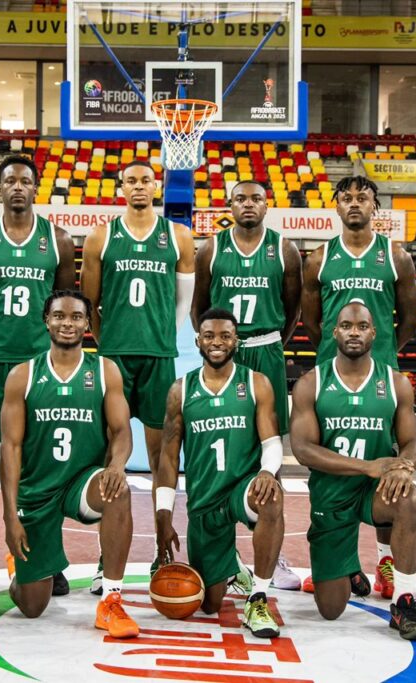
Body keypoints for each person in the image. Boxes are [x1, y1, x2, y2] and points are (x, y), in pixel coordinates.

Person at [0, 155, 76, 596]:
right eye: (10, 181)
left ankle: (45, 553)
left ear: (35, 187)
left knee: (42, 461)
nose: (18, 187)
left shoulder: (58, 239)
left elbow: (63, 299)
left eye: (26, 180)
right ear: (0, 189)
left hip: (42, 364)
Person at [301, 175, 416, 599]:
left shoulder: (396, 256)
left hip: (381, 373)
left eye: (363, 197)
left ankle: (386, 560)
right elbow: (312, 322)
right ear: (335, 207)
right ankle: (336, 559)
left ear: (375, 207)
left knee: (386, 467)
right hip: (333, 372)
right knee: (326, 467)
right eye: (346, 198)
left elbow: (409, 320)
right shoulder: (317, 259)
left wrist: (382, 351)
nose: (354, 204)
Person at [81, 159, 196, 587]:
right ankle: (102, 556)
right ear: (120, 187)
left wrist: (163, 338)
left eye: (147, 180)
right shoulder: (101, 235)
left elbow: (183, 304)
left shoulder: (179, 236)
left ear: (157, 186)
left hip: (158, 357)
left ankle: (160, 549)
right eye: (131, 180)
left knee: (160, 456)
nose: (139, 187)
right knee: (108, 456)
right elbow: (89, 303)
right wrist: (106, 343)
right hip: (113, 359)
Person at [0, 290, 139, 638]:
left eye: (76, 316)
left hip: (81, 482)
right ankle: (19, 570)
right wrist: (9, 516)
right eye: (59, 315)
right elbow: (11, 449)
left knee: (117, 491)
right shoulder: (23, 375)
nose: (67, 323)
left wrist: (117, 466)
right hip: (36, 490)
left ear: (87, 324)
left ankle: (111, 601)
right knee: (32, 607)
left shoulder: (105, 371)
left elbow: (122, 431)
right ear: (46, 320)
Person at [289, 302, 416, 641]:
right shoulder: (311, 383)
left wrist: (405, 466)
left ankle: (404, 601)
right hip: (331, 495)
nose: (355, 332)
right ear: (334, 332)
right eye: (347, 326)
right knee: (331, 610)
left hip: (375, 493)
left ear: (373, 332)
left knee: (409, 498)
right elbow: (303, 450)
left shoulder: (395, 383)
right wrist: (369, 466)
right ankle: (347, 563)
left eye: (362, 326)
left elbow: (412, 440)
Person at [190, 181, 302, 591]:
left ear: (267, 204)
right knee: (226, 448)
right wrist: (218, 347)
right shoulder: (211, 249)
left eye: (256, 198)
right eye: (241, 198)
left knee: (270, 451)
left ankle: (271, 551)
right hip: (225, 352)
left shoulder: (285, 249)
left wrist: (269, 343)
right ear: (230, 204)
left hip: (266, 349)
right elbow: (198, 308)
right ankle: (228, 552)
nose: (248, 204)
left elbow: (292, 309)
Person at [156, 308, 285, 639]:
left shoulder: (256, 383)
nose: (217, 342)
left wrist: (268, 472)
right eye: (209, 336)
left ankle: (257, 597)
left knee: (270, 500)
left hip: (242, 488)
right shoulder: (179, 391)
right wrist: (163, 515)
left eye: (226, 336)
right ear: (198, 341)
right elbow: (168, 459)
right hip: (204, 502)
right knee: (209, 604)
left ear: (236, 341)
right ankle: (232, 567)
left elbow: (271, 441)